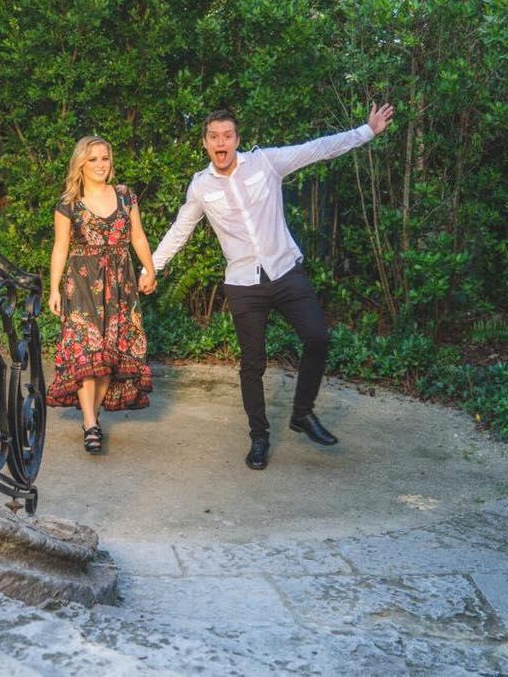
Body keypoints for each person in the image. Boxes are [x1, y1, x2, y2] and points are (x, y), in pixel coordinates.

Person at [146, 104, 394, 470]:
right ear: (205, 143)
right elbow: (179, 231)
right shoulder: (200, 186)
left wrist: (366, 131)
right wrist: (151, 268)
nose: (221, 143)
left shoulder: (266, 163)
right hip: (244, 284)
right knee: (252, 363)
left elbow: (317, 149)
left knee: (317, 337)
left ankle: (302, 413)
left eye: (227, 136)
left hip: (285, 272)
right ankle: (259, 437)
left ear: (237, 139)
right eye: (214, 137)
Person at [46, 135, 157, 453]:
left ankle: (91, 415)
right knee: (87, 351)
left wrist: (150, 270)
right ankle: (90, 422)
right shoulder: (69, 202)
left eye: (105, 158)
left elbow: (138, 236)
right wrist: (53, 289)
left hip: (121, 283)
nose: (100, 165)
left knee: (111, 354)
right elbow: (60, 247)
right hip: (82, 283)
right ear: (80, 164)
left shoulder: (125, 196)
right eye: (93, 159)